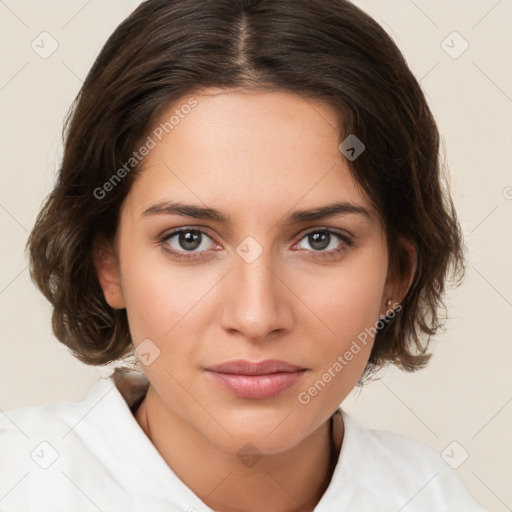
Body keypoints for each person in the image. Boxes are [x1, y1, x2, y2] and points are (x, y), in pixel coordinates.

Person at [0, 0, 486, 511]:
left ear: (398, 273)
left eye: (321, 239)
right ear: (109, 265)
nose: (256, 317)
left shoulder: (432, 496)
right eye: (189, 239)